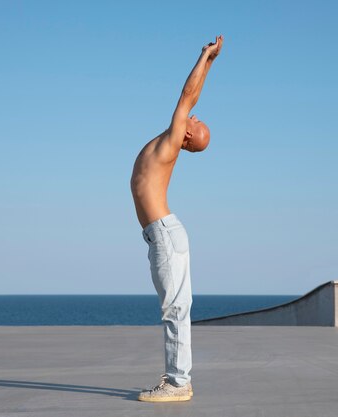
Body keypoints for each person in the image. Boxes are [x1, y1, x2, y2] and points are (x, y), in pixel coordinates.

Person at [131, 35, 223, 402]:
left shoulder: (171, 142)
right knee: (176, 307)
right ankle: (178, 378)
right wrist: (211, 63)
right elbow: (192, 99)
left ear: (187, 135)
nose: (194, 116)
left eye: (195, 122)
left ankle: (177, 382)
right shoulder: (170, 142)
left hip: (165, 235)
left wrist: (204, 57)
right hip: (164, 235)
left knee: (174, 309)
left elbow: (188, 95)